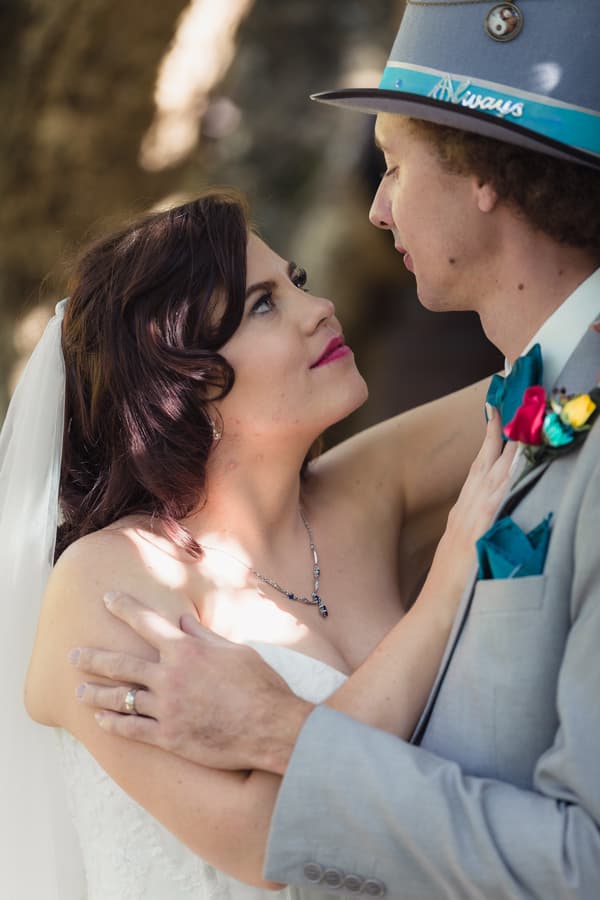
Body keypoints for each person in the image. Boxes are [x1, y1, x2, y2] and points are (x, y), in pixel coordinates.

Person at [70, 1, 600, 897]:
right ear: (186, 382)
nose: (377, 206)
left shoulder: (514, 426)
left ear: (482, 176)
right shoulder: (541, 398)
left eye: (393, 162)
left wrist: (277, 728)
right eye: (264, 303)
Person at [3, 188, 512, 900]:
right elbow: (266, 844)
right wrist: (448, 588)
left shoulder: (367, 489)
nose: (320, 308)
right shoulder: (109, 584)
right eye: (263, 305)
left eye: (296, 282)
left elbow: (555, 381)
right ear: (184, 384)